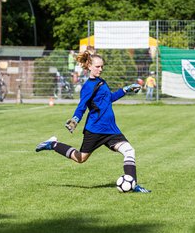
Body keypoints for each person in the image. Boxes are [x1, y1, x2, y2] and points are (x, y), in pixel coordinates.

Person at [36, 49, 151, 193]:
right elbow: (81, 106)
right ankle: (53, 144)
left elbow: (109, 99)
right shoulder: (88, 87)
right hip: (95, 130)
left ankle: (132, 184)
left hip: (110, 129)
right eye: (97, 66)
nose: (100, 69)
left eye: (102, 66)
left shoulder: (102, 82)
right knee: (80, 158)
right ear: (89, 66)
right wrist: (75, 120)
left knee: (129, 151)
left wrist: (125, 89)